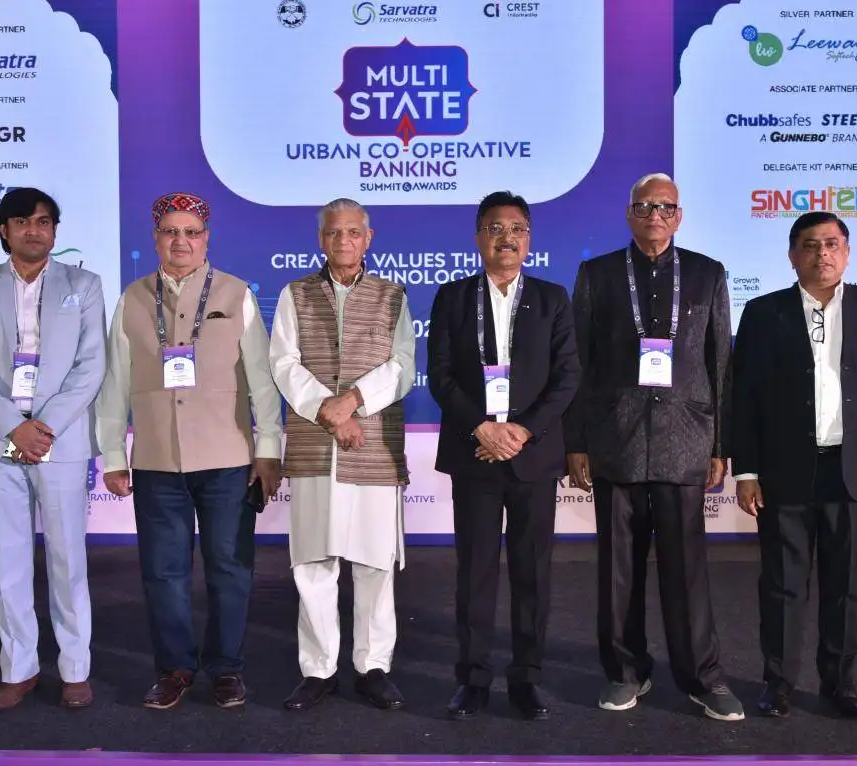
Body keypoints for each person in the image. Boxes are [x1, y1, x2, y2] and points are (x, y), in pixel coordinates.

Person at [564, 173, 744, 722]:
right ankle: (625, 671)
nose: (655, 216)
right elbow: (579, 363)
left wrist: (721, 444)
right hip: (615, 437)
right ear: (629, 214)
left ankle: (702, 678)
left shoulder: (707, 273)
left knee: (686, 569)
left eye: (665, 207)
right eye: (644, 206)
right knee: (618, 568)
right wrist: (577, 440)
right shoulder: (597, 275)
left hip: (686, 438)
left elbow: (720, 363)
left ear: (679, 216)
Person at [731, 210, 857, 721]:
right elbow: (744, 398)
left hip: (855, 471)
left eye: (833, 243)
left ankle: (841, 685)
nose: (823, 254)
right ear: (792, 255)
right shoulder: (763, 312)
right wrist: (746, 471)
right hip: (783, 472)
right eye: (811, 245)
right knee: (782, 585)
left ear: (848, 252)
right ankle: (778, 683)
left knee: (846, 587)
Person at [95, 192, 283, 710]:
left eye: (191, 232)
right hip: (156, 461)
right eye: (170, 231)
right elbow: (115, 383)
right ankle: (175, 668)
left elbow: (262, 381)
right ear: (156, 238)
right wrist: (113, 455)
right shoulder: (132, 298)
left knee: (230, 569)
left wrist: (268, 449)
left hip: (228, 460)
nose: (181, 241)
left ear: (207, 238)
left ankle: (226, 669)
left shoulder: (236, 294)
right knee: (163, 573)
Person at [428, 191, 580, 721]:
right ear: (479, 238)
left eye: (516, 229)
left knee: (532, 572)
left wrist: (521, 430)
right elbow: (440, 375)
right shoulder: (452, 298)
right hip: (475, 453)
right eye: (495, 228)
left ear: (529, 239)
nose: (506, 238)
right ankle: (472, 679)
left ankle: (526, 678)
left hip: (532, 455)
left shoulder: (552, 298)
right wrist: (481, 427)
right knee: (475, 571)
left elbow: (568, 376)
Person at [0, 187, 106, 710]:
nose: (33, 230)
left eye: (43, 221)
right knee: (10, 561)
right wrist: (12, 426)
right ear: (4, 230)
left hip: (58, 440)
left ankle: (75, 669)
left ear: (54, 231)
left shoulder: (83, 285)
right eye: (22, 222)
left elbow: (91, 366)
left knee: (68, 559)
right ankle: (19, 669)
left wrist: (45, 426)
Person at [269, 198, 416, 712]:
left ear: (368, 238)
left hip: (373, 446)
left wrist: (351, 401)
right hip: (315, 445)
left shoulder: (392, 295)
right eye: (334, 233)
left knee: (375, 563)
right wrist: (328, 411)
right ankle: (319, 670)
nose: (343, 241)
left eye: (353, 232)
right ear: (321, 239)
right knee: (314, 562)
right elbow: (283, 363)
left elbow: (402, 366)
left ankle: (373, 667)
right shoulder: (294, 294)